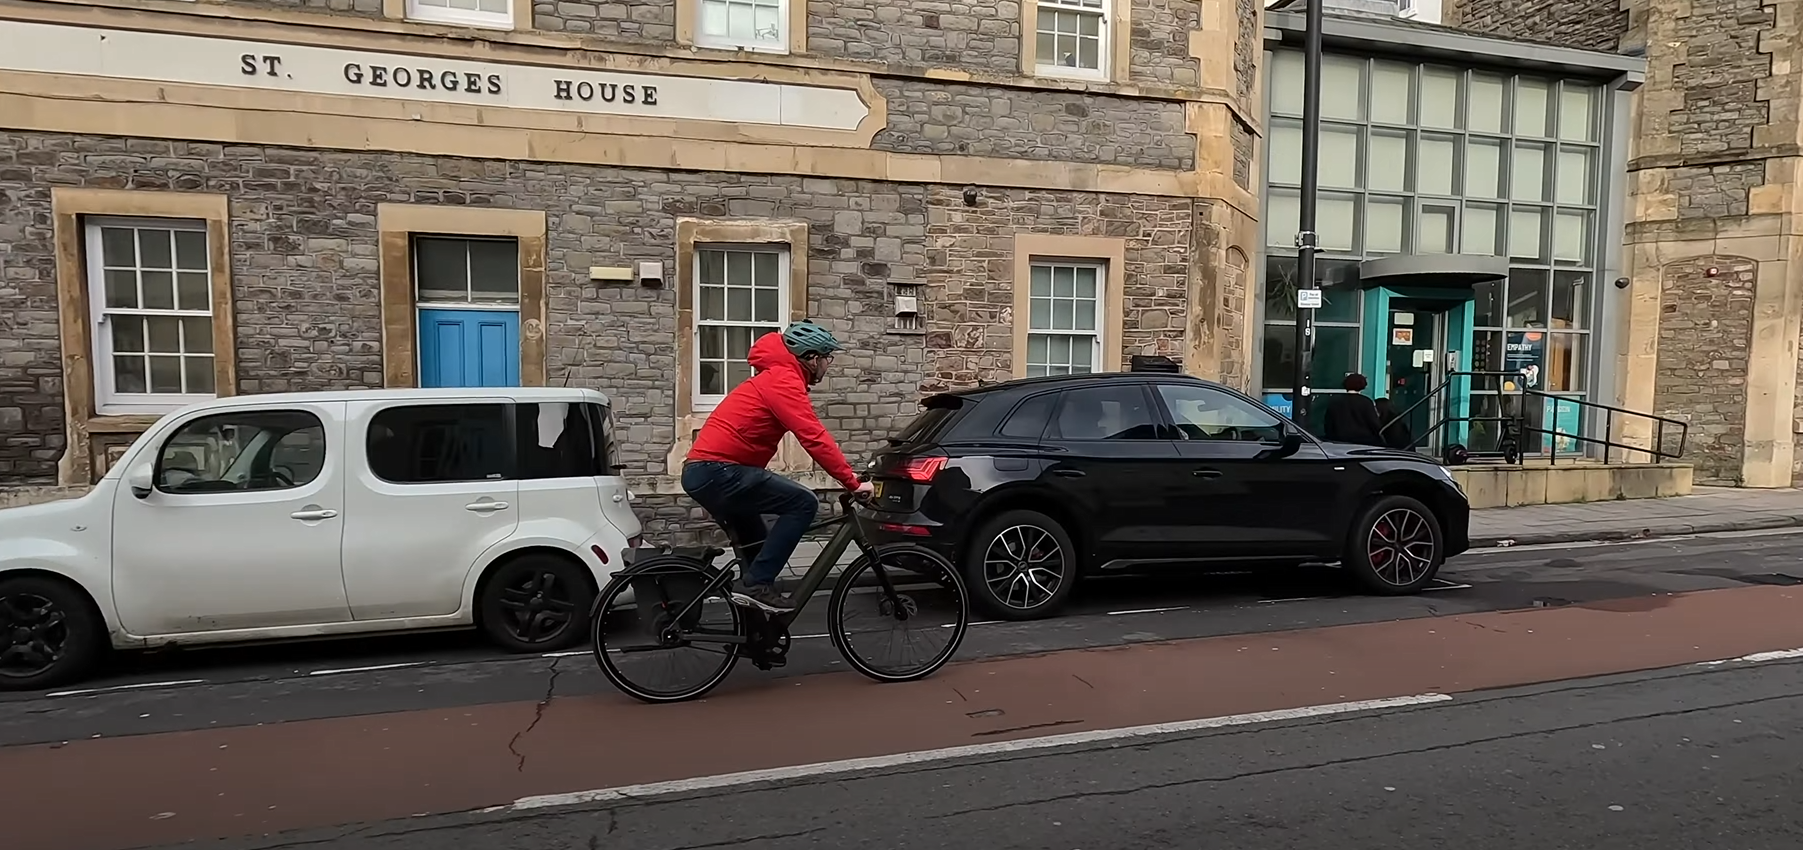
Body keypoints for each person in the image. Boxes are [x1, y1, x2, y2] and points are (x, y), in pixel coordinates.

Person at [681, 320, 874, 613]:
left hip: (712, 472)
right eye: (826, 357)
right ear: (811, 358)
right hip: (717, 471)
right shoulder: (783, 381)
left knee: (758, 548)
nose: (828, 365)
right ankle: (756, 586)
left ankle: (756, 627)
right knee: (803, 503)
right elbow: (814, 438)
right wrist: (853, 483)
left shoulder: (776, 378)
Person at [1321, 373, 1385, 447]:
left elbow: (1328, 424)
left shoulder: (1335, 402)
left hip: (1339, 442)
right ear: (1363, 385)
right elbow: (1374, 423)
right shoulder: (1366, 401)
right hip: (1364, 442)